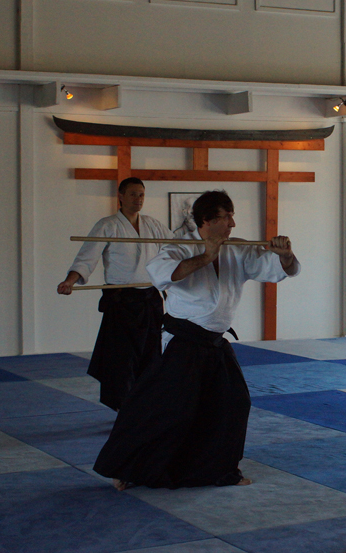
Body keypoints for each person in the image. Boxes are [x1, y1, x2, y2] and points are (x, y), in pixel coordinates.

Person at [93, 189, 300, 489]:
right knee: (164, 408)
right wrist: (206, 256)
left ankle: (220, 470)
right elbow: (164, 275)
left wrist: (286, 256)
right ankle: (125, 468)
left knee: (234, 402)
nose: (232, 224)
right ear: (206, 220)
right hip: (182, 340)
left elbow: (277, 269)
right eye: (226, 217)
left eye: (232, 216)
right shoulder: (179, 247)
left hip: (215, 342)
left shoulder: (238, 249)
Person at [57, 177, 171, 411]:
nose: (138, 199)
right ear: (120, 196)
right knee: (122, 358)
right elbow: (87, 257)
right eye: (132, 194)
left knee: (151, 356)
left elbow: (176, 249)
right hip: (122, 301)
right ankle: (123, 408)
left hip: (150, 300)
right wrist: (70, 281)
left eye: (141, 194)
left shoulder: (153, 225)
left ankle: (145, 406)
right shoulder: (107, 225)